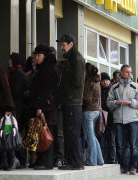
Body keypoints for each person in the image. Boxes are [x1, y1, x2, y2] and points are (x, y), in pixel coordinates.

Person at [107, 65, 138, 175]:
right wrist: (116, 103)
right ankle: (123, 167)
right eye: (127, 72)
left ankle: (133, 167)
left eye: (130, 72)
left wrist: (131, 102)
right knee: (119, 145)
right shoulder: (114, 87)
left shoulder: (136, 86)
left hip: (132, 119)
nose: (130, 74)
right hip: (118, 119)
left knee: (133, 145)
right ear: (122, 73)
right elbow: (108, 102)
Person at [56, 34, 85, 170]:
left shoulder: (76, 59)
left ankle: (76, 163)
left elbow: (77, 82)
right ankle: (72, 162)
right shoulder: (71, 58)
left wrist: (66, 94)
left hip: (73, 102)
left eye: (63, 45)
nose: (61, 47)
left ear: (71, 44)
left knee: (72, 132)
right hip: (70, 101)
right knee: (69, 132)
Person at [29, 44, 59, 170]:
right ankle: (41, 160)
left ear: (45, 56)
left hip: (47, 107)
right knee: (40, 133)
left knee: (46, 133)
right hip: (43, 105)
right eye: (35, 55)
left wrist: (39, 106)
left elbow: (46, 90)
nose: (36, 57)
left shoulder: (49, 68)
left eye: (39, 55)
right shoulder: (42, 68)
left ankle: (47, 162)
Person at [8, 53, 28, 169]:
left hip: (15, 111)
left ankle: (21, 159)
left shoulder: (18, 75)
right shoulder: (16, 74)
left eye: (10, 60)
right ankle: (16, 158)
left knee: (12, 134)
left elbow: (15, 93)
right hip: (14, 110)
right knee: (10, 133)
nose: (8, 62)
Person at [82, 63, 104, 166]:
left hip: (88, 111)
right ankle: (99, 159)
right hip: (96, 111)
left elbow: (87, 99)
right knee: (93, 136)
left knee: (89, 137)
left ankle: (91, 160)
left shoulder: (89, 82)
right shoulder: (97, 81)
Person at [99, 72, 114, 163]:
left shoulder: (112, 91)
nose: (105, 82)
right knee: (102, 141)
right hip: (101, 120)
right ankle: (103, 159)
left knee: (111, 142)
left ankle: (112, 160)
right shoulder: (98, 90)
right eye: (103, 80)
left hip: (111, 119)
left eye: (107, 80)